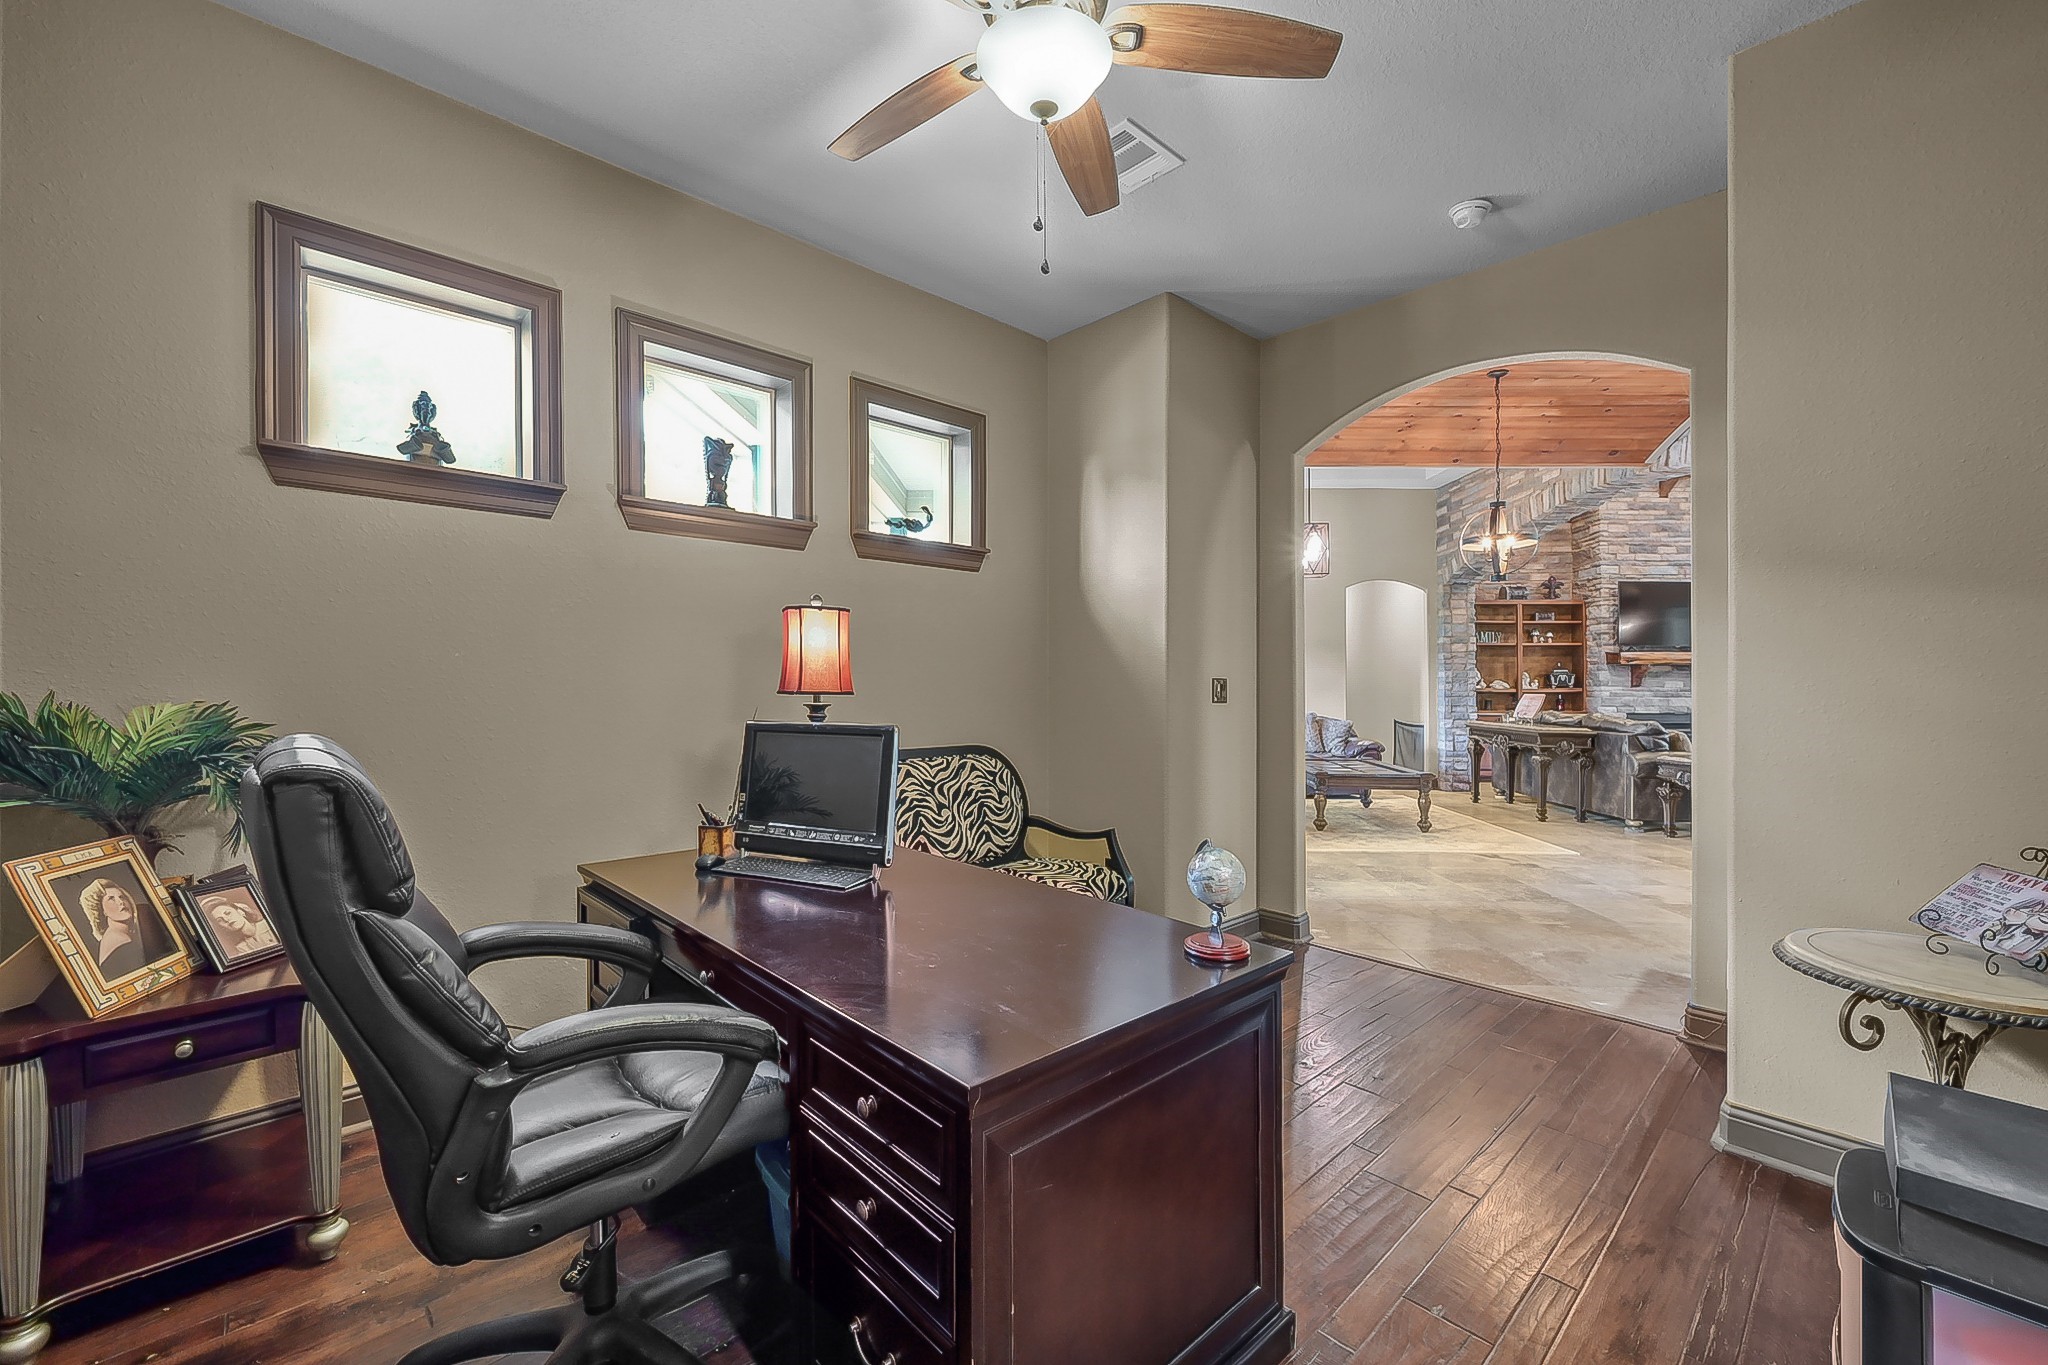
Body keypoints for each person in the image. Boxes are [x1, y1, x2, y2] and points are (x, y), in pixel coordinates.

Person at [77, 876, 174, 979]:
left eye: (122, 897)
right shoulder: (120, 940)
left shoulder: (126, 932)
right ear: (102, 910)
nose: (120, 902)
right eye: (111, 899)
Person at [204, 895, 278, 959]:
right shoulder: (242, 948)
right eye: (220, 920)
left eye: (228, 913)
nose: (226, 920)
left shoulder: (271, 926)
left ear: (241, 911)